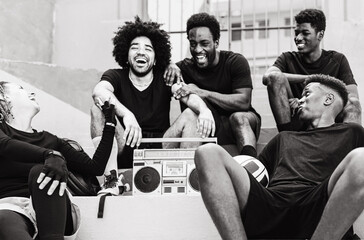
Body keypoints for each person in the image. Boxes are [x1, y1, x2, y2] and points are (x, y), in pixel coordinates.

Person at [194, 74, 364, 239]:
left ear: (328, 99)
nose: (299, 100)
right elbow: (253, 174)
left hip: (319, 203)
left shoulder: (351, 132)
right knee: (207, 152)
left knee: (361, 159)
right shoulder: (284, 137)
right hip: (272, 203)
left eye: (306, 94)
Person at [91, 16, 215, 169]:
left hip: (161, 147)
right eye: (135, 47)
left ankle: (187, 177)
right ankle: (112, 179)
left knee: (192, 113)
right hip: (126, 143)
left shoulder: (165, 76)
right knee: (98, 109)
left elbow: (187, 95)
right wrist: (127, 115)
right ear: (126, 55)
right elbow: (99, 91)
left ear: (156, 58)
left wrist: (204, 110)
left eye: (148, 49)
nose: (141, 52)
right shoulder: (115, 75)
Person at [0, 81, 116, 240]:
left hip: (54, 209)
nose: (32, 93)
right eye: (21, 89)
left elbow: (95, 167)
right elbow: (5, 145)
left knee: (41, 171)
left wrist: (109, 124)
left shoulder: (51, 140)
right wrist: (49, 155)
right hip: (11, 208)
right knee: (4, 221)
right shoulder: (3, 132)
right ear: (4, 97)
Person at [164, 12, 261, 157]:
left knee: (239, 117)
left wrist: (203, 92)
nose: (197, 50)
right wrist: (168, 63)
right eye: (193, 44)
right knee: (191, 114)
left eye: (204, 44)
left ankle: (252, 166)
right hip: (205, 127)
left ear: (216, 42)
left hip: (238, 124)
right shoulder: (183, 69)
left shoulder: (235, 62)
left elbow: (243, 102)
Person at [262, 8, 362, 132]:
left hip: (329, 118)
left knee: (353, 103)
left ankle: (350, 143)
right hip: (297, 117)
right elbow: (267, 76)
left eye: (305, 33)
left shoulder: (337, 59)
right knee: (275, 77)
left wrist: (318, 101)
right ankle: (287, 137)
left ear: (320, 35)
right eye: (296, 32)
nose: (298, 38)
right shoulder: (287, 58)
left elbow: (352, 95)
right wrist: (311, 79)